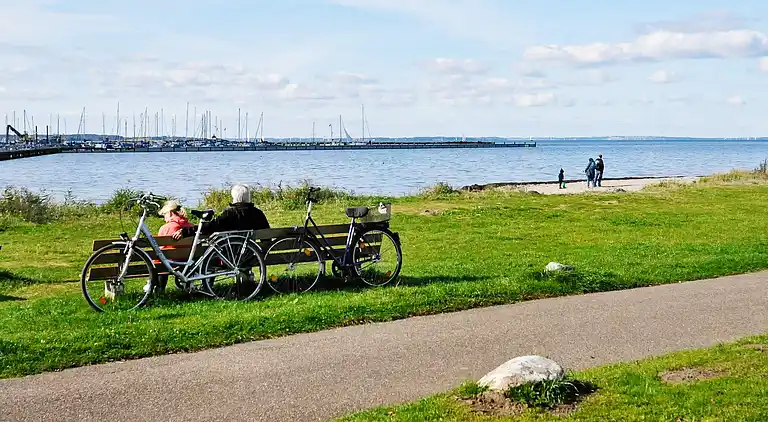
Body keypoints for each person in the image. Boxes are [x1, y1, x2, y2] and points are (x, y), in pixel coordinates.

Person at [172, 184, 270, 240]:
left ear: (234, 197)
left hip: (229, 254)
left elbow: (211, 226)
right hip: (250, 254)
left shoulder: (230, 213)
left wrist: (186, 231)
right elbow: (267, 237)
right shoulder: (258, 213)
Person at [145, 200, 194, 293]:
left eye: (164, 214)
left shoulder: (166, 228)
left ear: (170, 213)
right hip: (189, 262)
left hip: (171, 263)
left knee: (160, 260)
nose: (164, 218)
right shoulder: (191, 226)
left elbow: (160, 249)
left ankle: (159, 288)